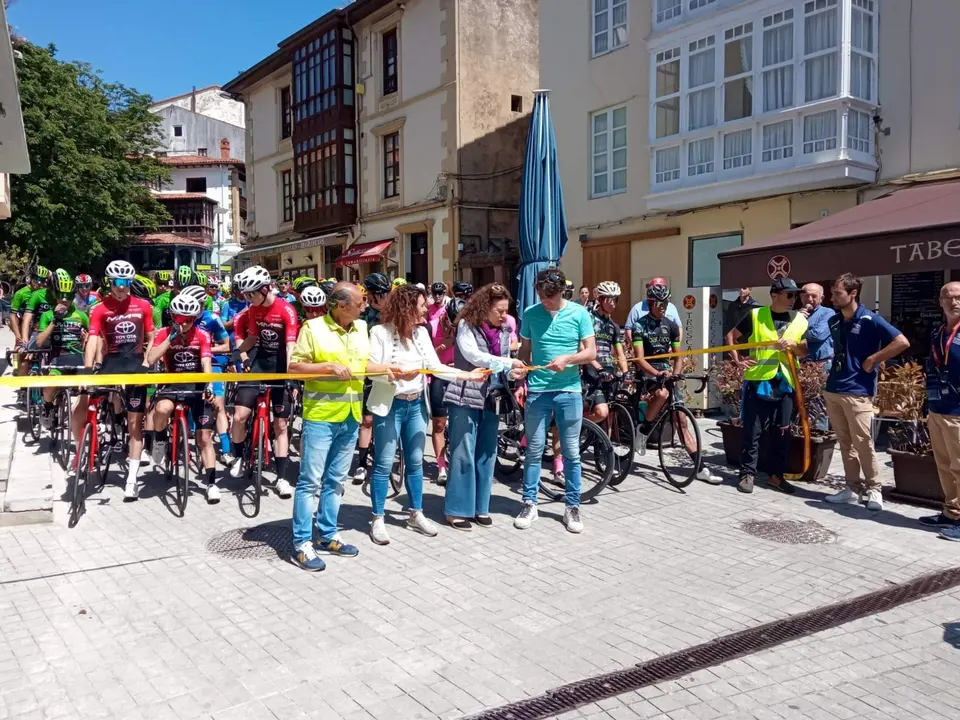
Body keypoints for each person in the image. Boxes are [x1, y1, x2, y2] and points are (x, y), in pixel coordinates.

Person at [366, 284, 469, 545]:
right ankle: (377, 518)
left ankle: (416, 513)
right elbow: (369, 368)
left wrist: (466, 375)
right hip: (390, 405)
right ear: (407, 307)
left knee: (414, 462)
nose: (426, 309)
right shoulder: (379, 332)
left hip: (416, 405)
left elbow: (434, 367)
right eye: (422, 305)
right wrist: (393, 370)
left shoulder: (422, 333)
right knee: (384, 462)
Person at [287, 283, 369, 570]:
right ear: (341, 306)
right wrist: (328, 367)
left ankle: (328, 534)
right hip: (321, 416)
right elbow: (294, 368)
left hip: (350, 415)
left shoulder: (361, 329)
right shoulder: (313, 328)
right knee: (310, 481)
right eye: (360, 302)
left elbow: (363, 365)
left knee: (336, 481)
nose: (365, 306)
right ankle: (301, 544)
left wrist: (390, 368)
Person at [514, 268, 596, 534]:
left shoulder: (580, 313)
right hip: (538, 391)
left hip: (569, 390)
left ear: (562, 291)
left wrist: (568, 359)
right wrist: (519, 371)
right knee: (534, 449)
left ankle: (572, 506)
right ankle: (529, 503)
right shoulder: (530, 313)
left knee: (571, 451)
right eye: (541, 295)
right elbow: (525, 352)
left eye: (550, 296)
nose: (545, 300)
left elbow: (590, 352)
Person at [822, 273, 908, 512]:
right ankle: (852, 488)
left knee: (863, 443)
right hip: (834, 388)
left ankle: (874, 490)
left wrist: (874, 359)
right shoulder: (834, 321)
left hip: (858, 391)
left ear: (853, 293)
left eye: (837, 293)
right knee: (845, 443)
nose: (832, 298)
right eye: (832, 293)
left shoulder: (871, 319)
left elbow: (902, 342)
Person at [444, 284, 526, 530]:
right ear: (485, 307)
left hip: (493, 397)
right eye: (499, 310)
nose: (504, 316)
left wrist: (514, 372)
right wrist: (507, 362)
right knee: (463, 452)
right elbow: (473, 356)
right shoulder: (466, 326)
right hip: (465, 395)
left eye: (506, 311)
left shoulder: (503, 331)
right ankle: (457, 510)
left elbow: (502, 369)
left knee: (488, 452)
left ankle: (480, 506)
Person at [726, 277, 809, 495]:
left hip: (786, 383)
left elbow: (806, 350)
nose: (793, 299)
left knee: (782, 432)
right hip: (759, 380)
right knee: (752, 431)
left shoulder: (799, 320)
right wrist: (737, 360)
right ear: (774, 295)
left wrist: (795, 346)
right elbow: (731, 337)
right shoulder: (756, 315)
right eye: (789, 295)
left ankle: (776, 476)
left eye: (795, 295)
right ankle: (747, 473)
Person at [633, 283, 721, 483]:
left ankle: (700, 467)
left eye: (666, 302)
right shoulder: (640, 325)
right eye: (659, 303)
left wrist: (675, 373)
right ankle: (644, 428)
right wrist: (657, 373)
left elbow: (678, 356)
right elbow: (638, 359)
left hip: (667, 373)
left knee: (681, 420)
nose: (663, 306)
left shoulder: (671, 325)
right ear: (650, 303)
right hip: (648, 372)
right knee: (662, 394)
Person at [85, 260, 156, 500]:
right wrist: (87, 369)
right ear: (109, 283)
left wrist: (147, 363)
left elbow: (151, 336)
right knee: (87, 402)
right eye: (118, 282)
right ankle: (96, 437)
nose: (122, 287)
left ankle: (132, 478)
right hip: (111, 362)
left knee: (136, 420)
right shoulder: (98, 308)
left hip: (136, 363)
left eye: (126, 283)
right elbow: (94, 339)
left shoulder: (142, 305)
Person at [229, 266, 300, 498]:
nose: (248, 299)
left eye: (251, 294)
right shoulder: (253, 310)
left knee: (280, 425)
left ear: (265, 289)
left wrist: (291, 377)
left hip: (280, 364)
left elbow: (290, 346)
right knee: (239, 416)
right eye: (245, 295)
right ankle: (238, 456)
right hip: (260, 363)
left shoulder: (286, 310)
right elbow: (252, 337)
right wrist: (238, 353)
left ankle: (281, 478)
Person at [145, 293, 221, 504]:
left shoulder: (203, 335)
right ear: (173, 316)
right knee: (161, 410)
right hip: (172, 383)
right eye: (180, 318)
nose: (185, 323)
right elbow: (151, 359)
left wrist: (209, 384)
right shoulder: (164, 333)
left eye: (189, 319)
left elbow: (206, 362)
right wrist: (171, 338)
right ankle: (160, 439)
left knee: (205, 436)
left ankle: (212, 484)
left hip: (197, 385)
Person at [175, 285, 233, 463]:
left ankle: (225, 450)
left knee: (218, 405)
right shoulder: (181, 317)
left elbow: (226, 346)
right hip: (188, 363)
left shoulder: (212, 318)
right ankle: (190, 441)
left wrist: (205, 349)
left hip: (213, 363)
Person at [921, 281, 960, 540]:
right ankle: (951, 512)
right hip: (938, 407)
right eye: (948, 297)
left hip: (958, 411)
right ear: (940, 302)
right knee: (945, 465)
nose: (953, 302)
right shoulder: (937, 333)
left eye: (958, 297)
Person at [36, 271, 88, 439]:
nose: (64, 299)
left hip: (79, 361)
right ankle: (48, 406)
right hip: (57, 361)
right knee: (50, 384)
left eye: (68, 296)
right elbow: (39, 342)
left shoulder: (81, 315)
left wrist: (86, 338)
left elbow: (94, 337)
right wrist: (55, 321)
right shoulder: (47, 315)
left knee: (86, 390)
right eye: (60, 295)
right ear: (54, 294)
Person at [352, 272, 391, 485]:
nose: (386, 298)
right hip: (368, 371)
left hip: (390, 370)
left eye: (387, 293)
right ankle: (361, 463)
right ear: (372, 296)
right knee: (367, 420)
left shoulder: (394, 314)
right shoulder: (363, 316)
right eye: (381, 294)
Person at [583, 282, 629, 426]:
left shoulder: (613, 326)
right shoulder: (589, 320)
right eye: (609, 299)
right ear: (600, 300)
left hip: (609, 372)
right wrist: (598, 368)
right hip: (591, 372)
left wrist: (625, 372)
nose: (613, 303)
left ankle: (605, 447)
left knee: (609, 417)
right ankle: (578, 426)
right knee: (601, 412)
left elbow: (620, 354)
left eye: (616, 299)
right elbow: (583, 348)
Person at [428, 296, 459, 485]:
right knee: (439, 424)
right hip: (439, 375)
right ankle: (441, 467)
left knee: (459, 423)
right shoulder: (431, 325)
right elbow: (425, 354)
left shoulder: (465, 326)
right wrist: (443, 346)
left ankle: (456, 462)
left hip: (459, 376)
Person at [624, 278, 682, 348]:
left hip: (666, 349)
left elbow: (678, 328)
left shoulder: (672, 307)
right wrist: (636, 347)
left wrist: (673, 347)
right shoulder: (637, 308)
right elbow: (628, 329)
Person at [800, 283, 835, 366]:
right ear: (801, 297)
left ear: (821, 298)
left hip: (822, 362)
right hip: (802, 363)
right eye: (806, 295)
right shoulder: (796, 315)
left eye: (814, 296)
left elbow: (818, 335)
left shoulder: (828, 313)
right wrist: (797, 319)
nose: (809, 299)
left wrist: (797, 333)